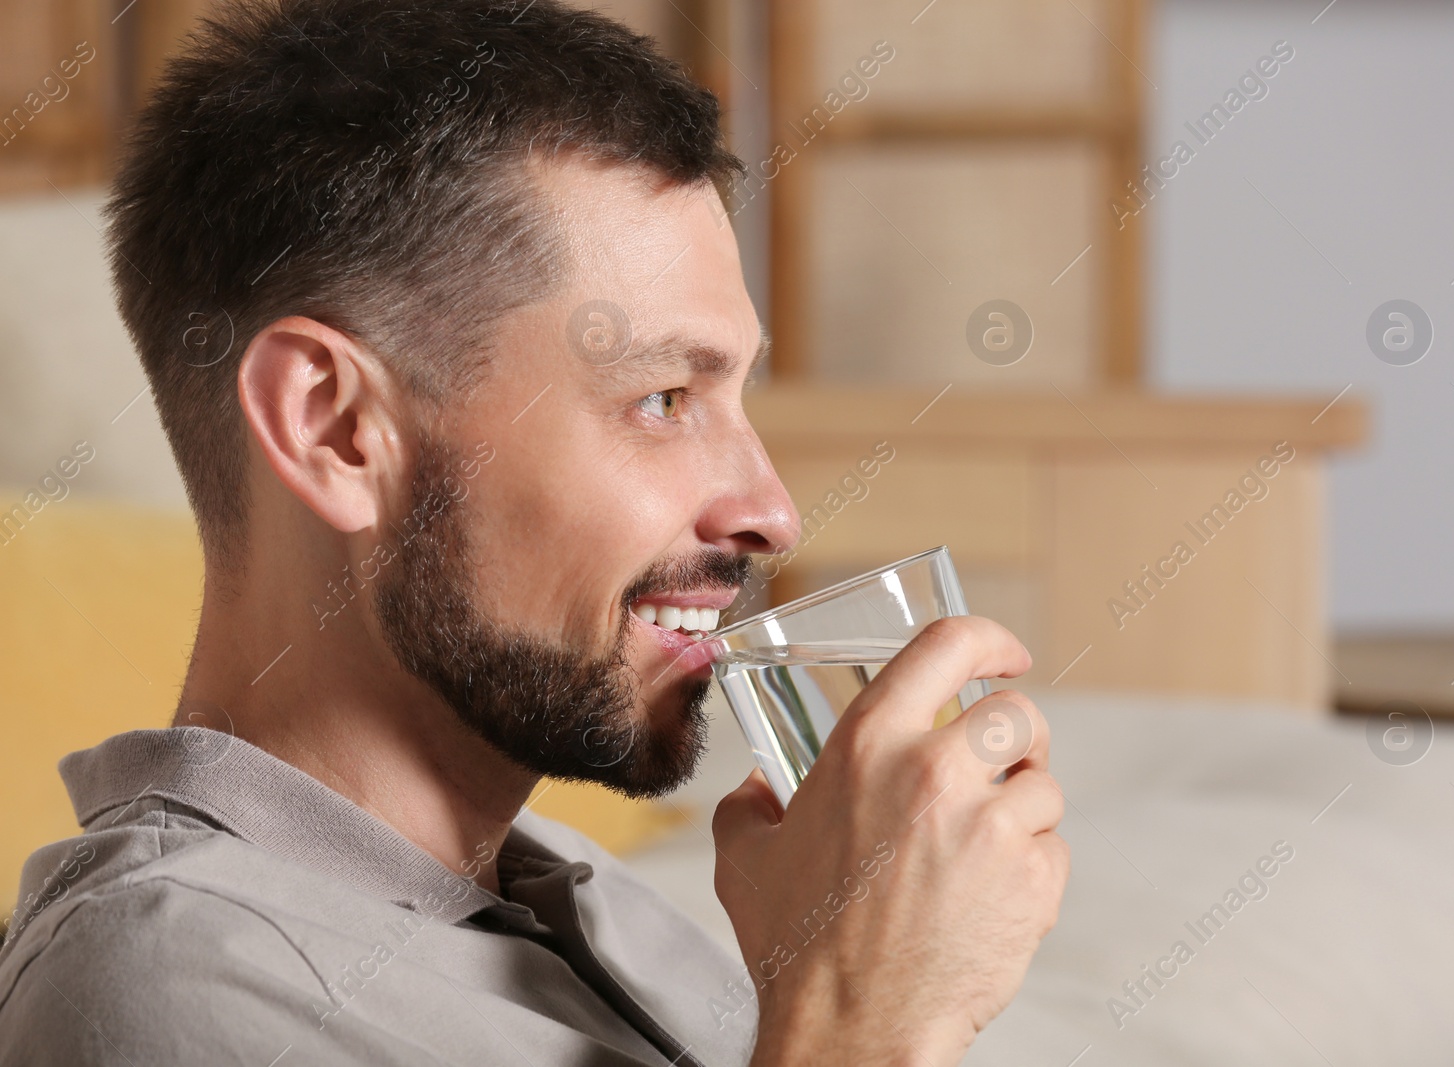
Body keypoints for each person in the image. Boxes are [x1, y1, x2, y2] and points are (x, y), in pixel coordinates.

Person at [0, 1, 1069, 1063]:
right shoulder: (164, 977)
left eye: (735, 393)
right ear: (333, 426)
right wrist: (862, 1011)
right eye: (660, 397)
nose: (771, 510)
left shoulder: (569, 893)